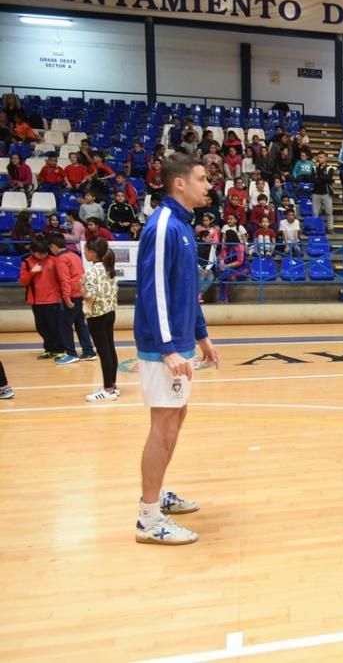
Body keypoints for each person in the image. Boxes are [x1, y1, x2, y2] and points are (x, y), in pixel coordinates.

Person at [133, 153, 220, 545]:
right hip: (162, 347)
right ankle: (149, 519)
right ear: (179, 184)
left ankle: (158, 496)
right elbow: (153, 291)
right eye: (202, 179)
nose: (208, 185)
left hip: (181, 340)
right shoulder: (164, 224)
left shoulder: (183, 226)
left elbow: (185, 290)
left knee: (175, 419)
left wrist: (201, 335)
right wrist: (168, 347)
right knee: (163, 426)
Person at [49, 233, 97, 365]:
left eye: (50, 247)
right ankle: (88, 351)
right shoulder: (74, 255)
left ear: (53, 246)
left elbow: (65, 280)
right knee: (80, 324)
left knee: (64, 325)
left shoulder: (61, 259)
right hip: (81, 294)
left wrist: (66, 298)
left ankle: (71, 353)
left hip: (72, 295)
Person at [82, 238, 120, 402]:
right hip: (110, 312)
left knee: (104, 352)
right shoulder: (109, 268)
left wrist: (81, 289)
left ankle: (108, 390)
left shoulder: (91, 272)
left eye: (86, 250)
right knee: (110, 349)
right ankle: (112, 384)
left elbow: (90, 297)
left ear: (92, 252)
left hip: (97, 315)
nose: (84, 253)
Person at [19, 235, 63, 360]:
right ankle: (49, 349)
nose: (43, 256)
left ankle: (59, 349)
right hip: (37, 301)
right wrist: (32, 272)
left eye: (45, 253)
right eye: (40, 254)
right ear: (32, 251)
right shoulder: (27, 263)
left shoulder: (54, 260)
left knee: (54, 326)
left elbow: (61, 278)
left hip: (53, 300)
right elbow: (23, 282)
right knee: (41, 327)